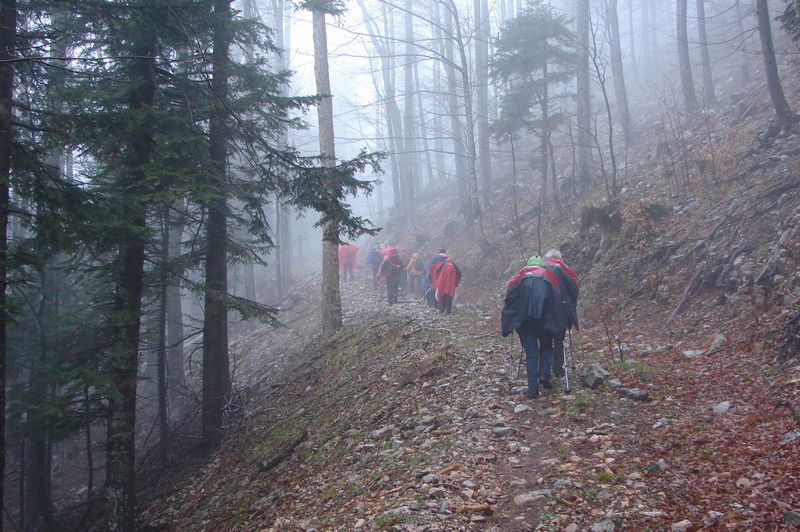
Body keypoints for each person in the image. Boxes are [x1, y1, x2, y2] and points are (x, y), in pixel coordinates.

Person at [501, 256, 565, 399]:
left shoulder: (519, 278)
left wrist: (508, 323)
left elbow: (510, 300)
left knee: (531, 354)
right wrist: (559, 323)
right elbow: (557, 300)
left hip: (525, 322)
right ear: (542, 266)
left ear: (527, 266)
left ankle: (532, 390)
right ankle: (544, 374)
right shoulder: (550, 277)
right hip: (545, 320)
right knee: (547, 347)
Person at [544, 249, 580, 378]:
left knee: (545, 340)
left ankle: (544, 370)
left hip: (545, 310)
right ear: (560, 258)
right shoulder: (566, 271)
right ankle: (558, 369)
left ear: (547, 258)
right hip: (562, 310)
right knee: (559, 340)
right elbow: (574, 290)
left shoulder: (541, 269)